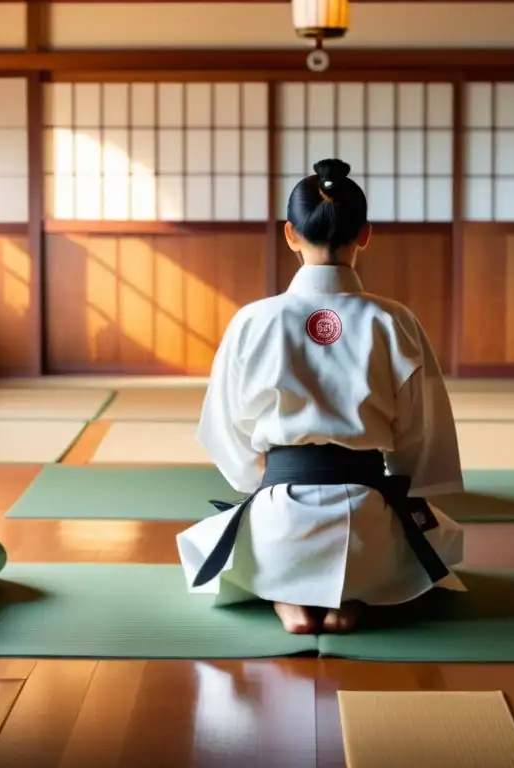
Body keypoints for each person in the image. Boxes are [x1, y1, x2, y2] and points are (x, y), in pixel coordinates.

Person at [177, 159, 465, 635]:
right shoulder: (394, 321)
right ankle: (354, 599)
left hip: (279, 520)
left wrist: (262, 480)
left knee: (226, 540)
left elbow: (225, 429)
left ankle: (287, 596)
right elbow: (420, 435)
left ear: (290, 234)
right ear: (366, 234)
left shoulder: (254, 320)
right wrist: (399, 480)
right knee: (439, 536)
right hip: (367, 526)